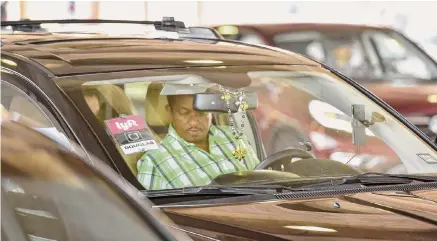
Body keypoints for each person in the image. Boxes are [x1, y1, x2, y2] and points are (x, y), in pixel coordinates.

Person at [137, 94, 260, 190]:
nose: (194, 122)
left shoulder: (234, 137)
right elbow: (148, 215)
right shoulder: (154, 162)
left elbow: (262, 179)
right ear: (170, 112)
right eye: (184, 113)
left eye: (201, 113)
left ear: (211, 110)